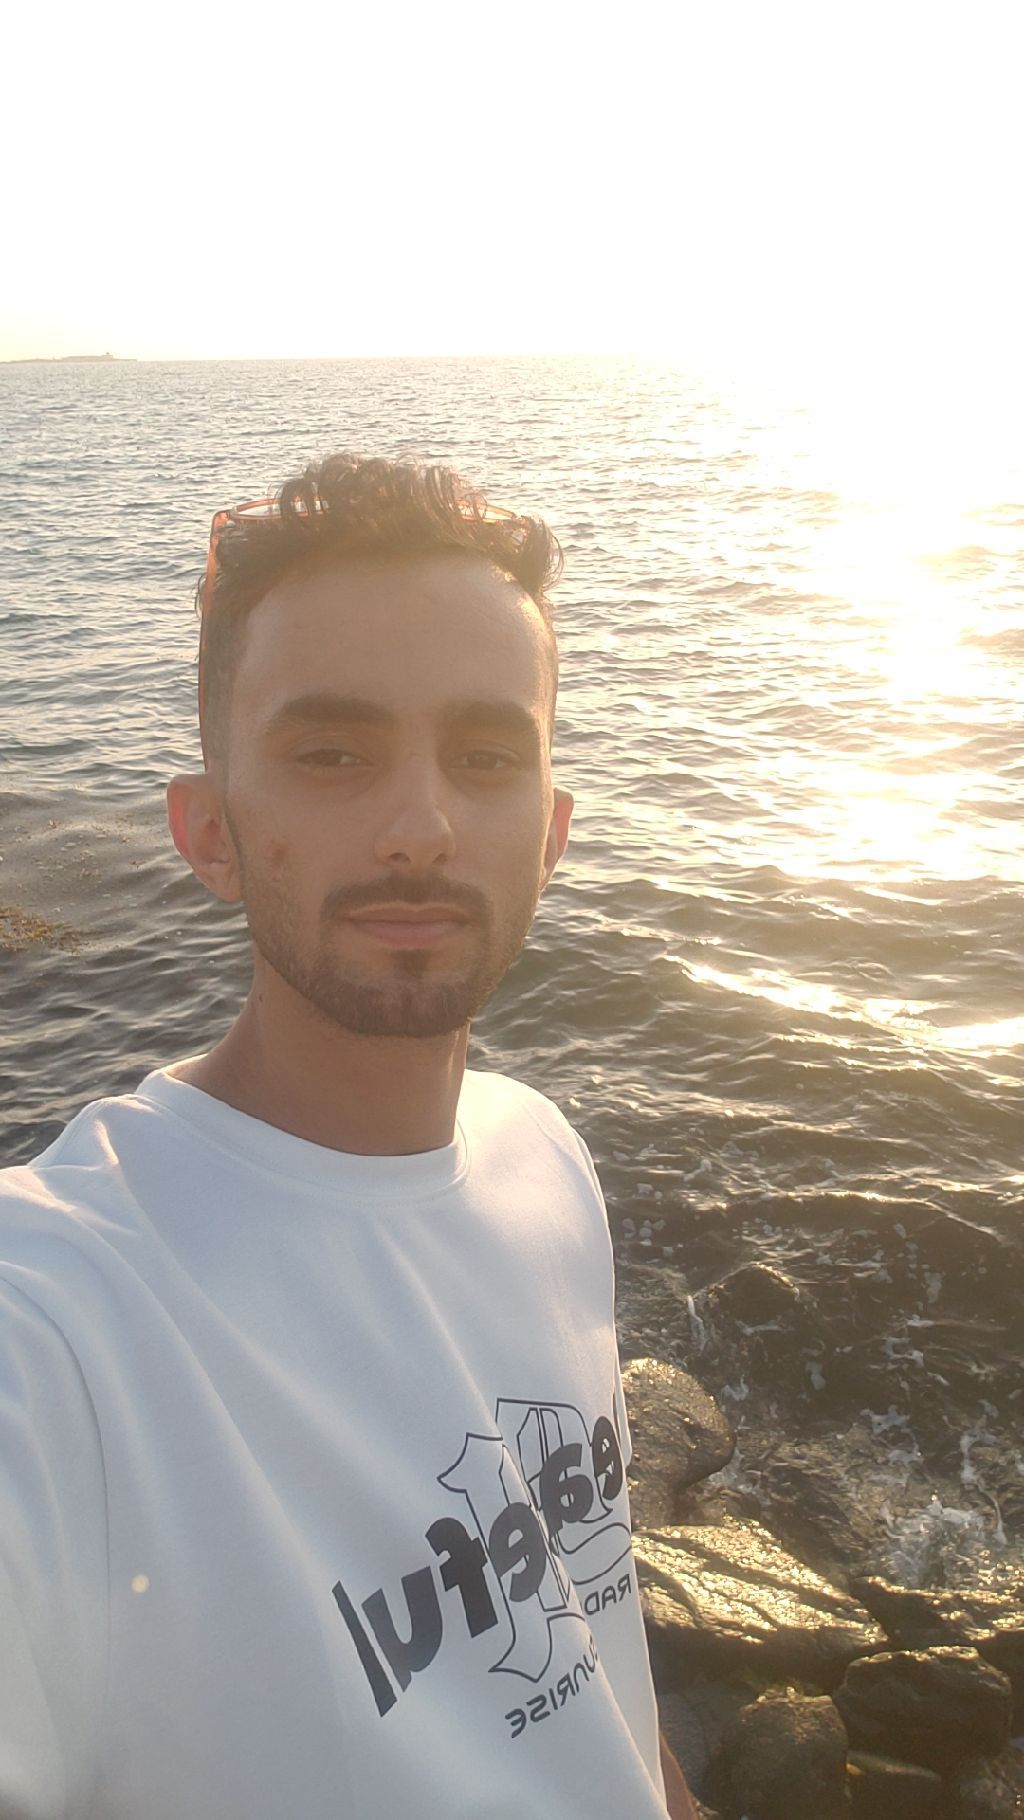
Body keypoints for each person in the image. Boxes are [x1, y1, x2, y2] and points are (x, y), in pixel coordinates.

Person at [0, 453, 697, 1818]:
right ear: (209, 830)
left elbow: (582, 1615)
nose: (420, 828)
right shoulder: (62, 1316)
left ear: (551, 832)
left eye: (486, 756)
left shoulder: (545, 1155)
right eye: (333, 754)